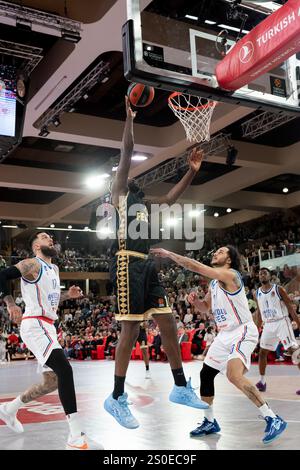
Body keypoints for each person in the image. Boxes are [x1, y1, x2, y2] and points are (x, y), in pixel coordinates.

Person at [104, 96, 208, 429]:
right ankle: (117, 397)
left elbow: (171, 198)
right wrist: (130, 118)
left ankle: (179, 386)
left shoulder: (143, 204)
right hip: (127, 265)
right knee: (131, 331)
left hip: (148, 266)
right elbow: (126, 153)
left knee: (168, 322)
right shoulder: (119, 194)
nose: (119, 177)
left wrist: (190, 173)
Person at [151, 245, 287, 444]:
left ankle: (273, 418)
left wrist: (171, 254)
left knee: (233, 375)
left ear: (230, 259)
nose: (215, 253)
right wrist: (196, 301)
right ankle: (209, 421)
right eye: (215, 251)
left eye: (221, 251)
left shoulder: (230, 275)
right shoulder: (214, 283)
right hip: (224, 335)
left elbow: (196, 267)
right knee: (206, 374)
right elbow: (206, 308)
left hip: (242, 330)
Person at [0, 232, 102, 450]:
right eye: (45, 237)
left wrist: (68, 296)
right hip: (35, 323)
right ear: (36, 246)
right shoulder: (31, 264)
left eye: (51, 238)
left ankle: (10, 408)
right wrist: (10, 303)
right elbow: (1, 275)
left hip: (48, 325)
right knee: (65, 370)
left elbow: (49, 298)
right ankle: (76, 437)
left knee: (52, 382)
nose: (51, 240)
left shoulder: (54, 269)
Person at [254, 268, 300, 392]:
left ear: (270, 276)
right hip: (268, 324)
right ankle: (262, 382)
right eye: (260, 274)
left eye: (265, 273)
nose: (262, 275)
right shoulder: (257, 293)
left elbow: (290, 308)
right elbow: (259, 313)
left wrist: (298, 323)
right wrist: (256, 329)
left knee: (294, 351)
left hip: (282, 321)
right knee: (262, 352)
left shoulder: (278, 289)